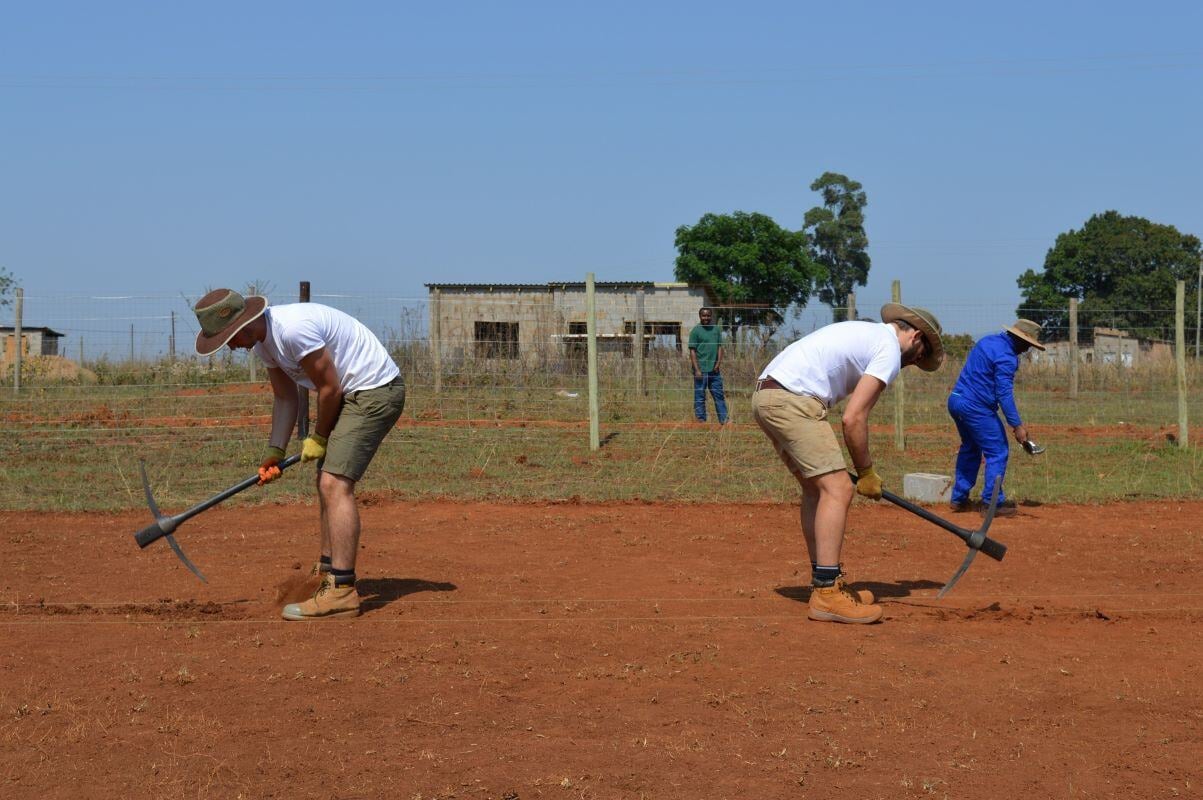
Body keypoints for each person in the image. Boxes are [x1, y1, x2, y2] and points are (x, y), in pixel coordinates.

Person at [193, 288, 406, 621]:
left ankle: (342, 591)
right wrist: (274, 452)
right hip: (349, 393)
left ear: (241, 327)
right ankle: (326, 571)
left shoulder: (292, 330)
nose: (230, 348)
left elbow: (330, 388)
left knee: (334, 484)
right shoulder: (264, 344)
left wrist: (319, 438)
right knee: (325, 479)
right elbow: (286, 399)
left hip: (374, 391)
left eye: (227, 340)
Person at [751, 303, 944, 624]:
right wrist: (866, 472)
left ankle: (826, 582)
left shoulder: (868, 334)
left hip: (768, 396)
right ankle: (827, 594)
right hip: (793, 399)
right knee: (838, 488)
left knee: (818, 490)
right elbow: (854, 418)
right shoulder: (889, 348)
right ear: (917, 338)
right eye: (919, 358)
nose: (912, 364)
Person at [947, 319, 1045, 517]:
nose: (1026, 349)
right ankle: (992, 504)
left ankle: (959, 499)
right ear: (1018, 339)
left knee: (970, 448)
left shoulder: (987, 341)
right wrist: (1017, 425)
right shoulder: (1007, 357)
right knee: (998, 451)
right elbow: (1004, 393)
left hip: (956, 400)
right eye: (1027, 344)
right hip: (975, 407)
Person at [688, 307, 728, 424]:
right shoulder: (695, 331)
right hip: (701, 370)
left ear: (711, 316)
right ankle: (701, 420)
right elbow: (692, 351)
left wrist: (718, 363)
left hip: (714, 371)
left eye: (708, 316)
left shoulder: (716, 330)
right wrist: (697, 369)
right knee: (700, 396)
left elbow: (720, 347)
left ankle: (724, 420)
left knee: (719, 395)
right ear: (700, 316)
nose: (706, 318)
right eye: (704, 316)